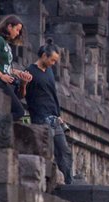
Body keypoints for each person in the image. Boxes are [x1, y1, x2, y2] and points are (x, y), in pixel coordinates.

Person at [25, 39, 74, 185]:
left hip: (54, 118)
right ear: (44, 56)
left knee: (64, 151)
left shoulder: (50, 72)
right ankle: (44, 182)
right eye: (52, 60)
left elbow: (53, 95)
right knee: (46, 151)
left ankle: (68, 182)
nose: (54, 63)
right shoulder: (29, 72)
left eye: (55, 61)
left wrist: (59, 115)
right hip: (40, 118)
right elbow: (24, 94)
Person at [0, 15, 32, 121]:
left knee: (16, 101)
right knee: (19, 112)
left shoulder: (6, 45)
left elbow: (4, 66)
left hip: (5, 82)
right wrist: (1, 76)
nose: (18, 33)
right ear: (9, 27)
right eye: (17, 29)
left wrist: (17, 72)